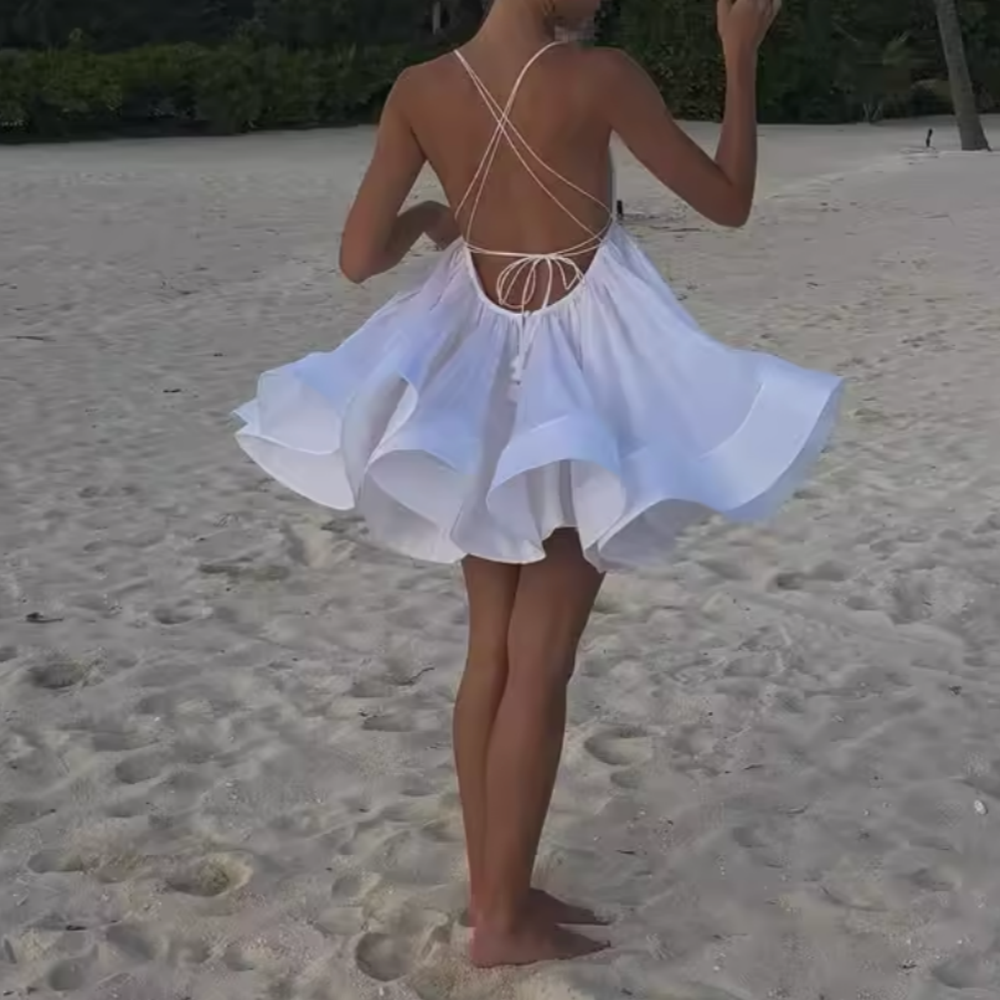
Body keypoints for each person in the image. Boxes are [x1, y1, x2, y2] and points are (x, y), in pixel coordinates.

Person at [234, 0, 841, 969]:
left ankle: (496, 895)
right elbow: (728, 201)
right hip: (577, 379)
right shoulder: (599, 77)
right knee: (541, 658)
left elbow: (357, 258)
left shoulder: (421, 90)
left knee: (493, 652)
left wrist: (427, 216)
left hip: (478, 377)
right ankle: (504, 922)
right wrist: (739, 57)